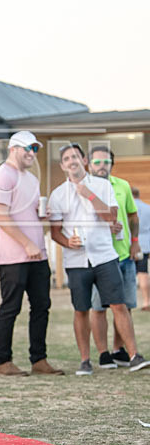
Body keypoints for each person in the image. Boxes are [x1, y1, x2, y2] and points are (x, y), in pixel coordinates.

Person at [47, 143, 150, 374]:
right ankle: (85, 360)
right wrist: (67, 242)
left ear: (84, 161)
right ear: (63, 165)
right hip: (76, 262)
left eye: (75, 156)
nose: (72, 160)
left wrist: (89, 194)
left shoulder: (103, 186)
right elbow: (55, 232)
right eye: (66, 158)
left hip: (105, 256)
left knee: (119, 304)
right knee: (81, 309)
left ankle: (134, 355)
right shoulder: (57, 195)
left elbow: (111, 215)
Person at [0, 131, 63, 376]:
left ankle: (39, 360)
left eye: (35, 149)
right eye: (27, 148)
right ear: (13, 149)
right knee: (11, 308)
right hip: (13, 256)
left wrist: (41, 216)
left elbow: (25, 212)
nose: (32, 153)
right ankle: (3, 362)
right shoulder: (3, 174)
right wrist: (26, 244)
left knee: (42, 305)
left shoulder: (30, 179)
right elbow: (0, 214)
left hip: (37, 255)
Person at [88, 146, 143, 368]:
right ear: (89, 165)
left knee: (125, 305)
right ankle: (103, 354)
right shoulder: (84, 188)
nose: (102, 166)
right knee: (99, 307)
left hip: (124, 256)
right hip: (98, 257)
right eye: (97, 162)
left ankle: (118, 349)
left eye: (106, 162)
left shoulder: (123, 186)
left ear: (112, 164)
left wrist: (135, 242)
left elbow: (132, 215)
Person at [133, 187, 150, 311]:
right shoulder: (147, 208)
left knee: (126, 275)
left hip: (129, 245)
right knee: (143, 273)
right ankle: (146, 301)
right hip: (144, 245)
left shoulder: (127, 208)